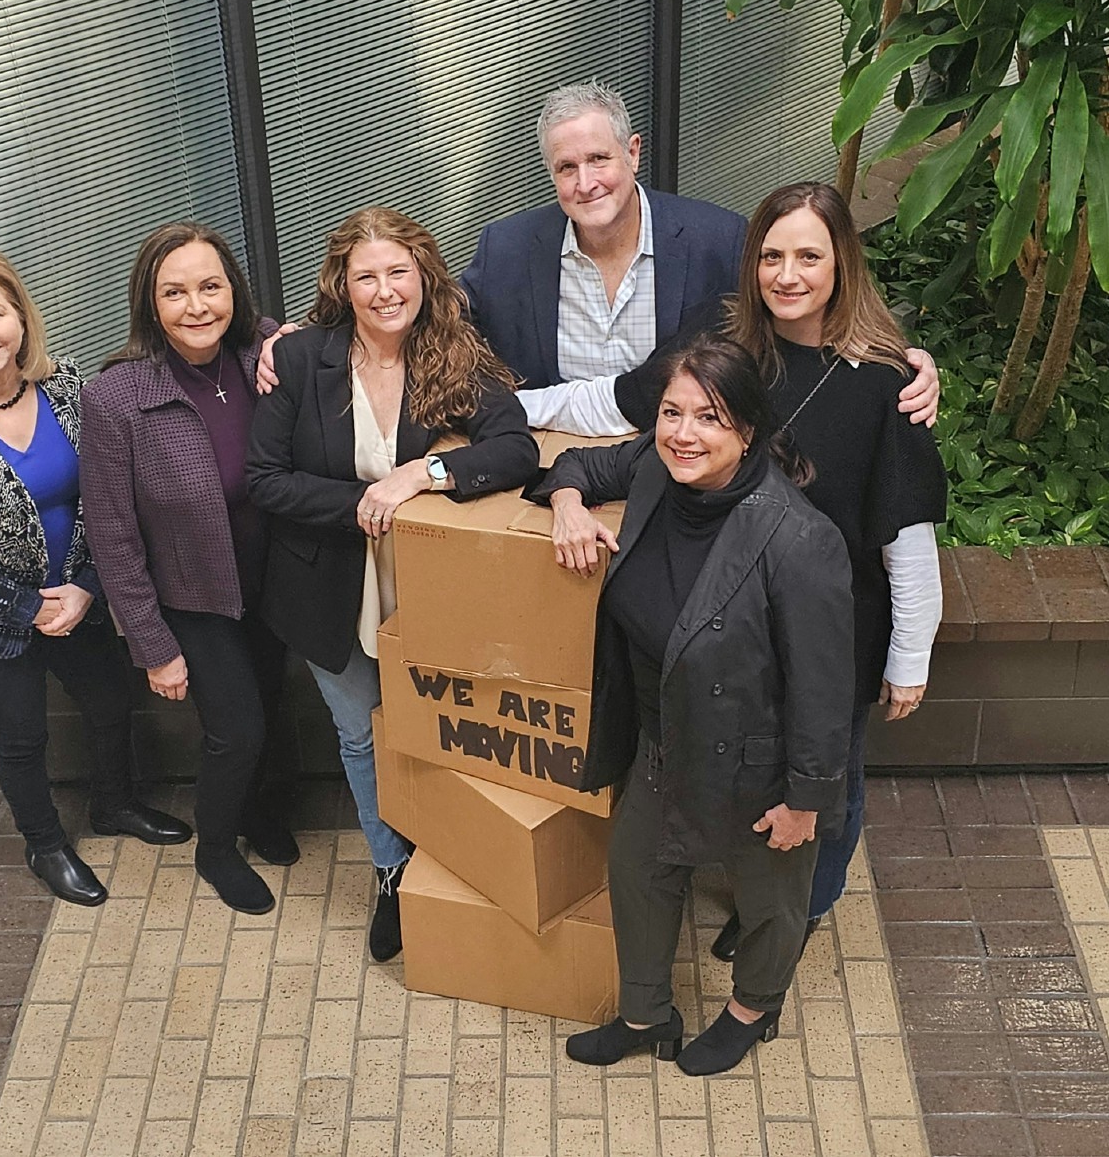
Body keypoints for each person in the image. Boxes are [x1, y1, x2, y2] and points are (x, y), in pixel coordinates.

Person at [613, 182, 948, 960]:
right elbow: (635, 406)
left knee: (828, 776)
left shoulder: (884, 382)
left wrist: (909, 657)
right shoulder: (728, 346)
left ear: (843, 263)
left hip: (829, 630)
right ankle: (758, 885)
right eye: (771, 255)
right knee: (745, 761)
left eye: (809, 255)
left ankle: (802, 907)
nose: (787, 274)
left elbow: (908, 535)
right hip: (722, 619)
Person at [543, 335, 855, 1075]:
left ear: (747, 430)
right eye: (671, 413)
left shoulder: (798, 539)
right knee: (638, 871)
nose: (684, 434)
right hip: (662, 734)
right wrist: (567, 506)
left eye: (709, 417)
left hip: (757, 758)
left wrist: (806, 800)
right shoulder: (655, 469)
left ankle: (753, 1011)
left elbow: (824, 687)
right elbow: (576, 464)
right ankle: (646, 1016)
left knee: (772, 894)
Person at [246, 206, 539, 962]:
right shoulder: (303, 358)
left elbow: (514, 449)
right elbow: (264, 480)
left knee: (436, 729)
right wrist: (363, 506)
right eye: (366, 275)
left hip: (431, 589)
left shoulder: (453, 356)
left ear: (424, 277)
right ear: (342, 285)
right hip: (324, 589)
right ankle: (390, 869)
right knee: (359, 734)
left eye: (397, 272)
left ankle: (450, 859)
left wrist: (424, 473)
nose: (384, 291)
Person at [0, 249, 191, 908]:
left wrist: (85, 586)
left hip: (77, 597)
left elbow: (110, 495)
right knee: (22, 734)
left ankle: (115, 806)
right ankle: (45, 845)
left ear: (22, 319)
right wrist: (28, 608)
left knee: (112, 704)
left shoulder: (66, 387)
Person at [453, 80, 940, 434]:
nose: (586, 183)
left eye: (599, 159)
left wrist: (903, 361)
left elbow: (809, 300)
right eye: (567, 167)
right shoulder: (509, 249)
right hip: (549, 470)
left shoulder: (719, 239)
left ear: (633, 153)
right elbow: (437, 321)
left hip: (684, 474)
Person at [80, 222, 298, 917]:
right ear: (149, 303)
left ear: (234, 288)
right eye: (174, 292)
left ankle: (263, 813)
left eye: (210, 286)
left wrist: (285, 339)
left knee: (273, 709)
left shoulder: (261, 353)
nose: (196, 306)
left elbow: (307, 336)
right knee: (237, 728)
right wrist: (153, 646)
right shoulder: (115, 398)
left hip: (270, 580)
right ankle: (217, 847)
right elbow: (112, 535)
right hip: (193, 595)